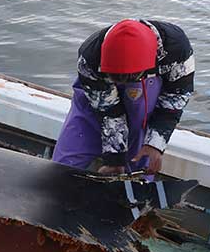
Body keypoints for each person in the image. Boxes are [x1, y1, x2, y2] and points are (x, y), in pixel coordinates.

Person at [52, 19, 195, 175]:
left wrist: (155, 143)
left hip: (145, 88)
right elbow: (108, 110)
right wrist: (115, 159)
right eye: (116, 78)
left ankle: (135, 177)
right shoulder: (89, 57)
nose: (121, 83)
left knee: (138, 138)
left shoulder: (177, 49)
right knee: (63, 165)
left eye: (125, 78)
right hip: (98, 91)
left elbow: (174, 101)